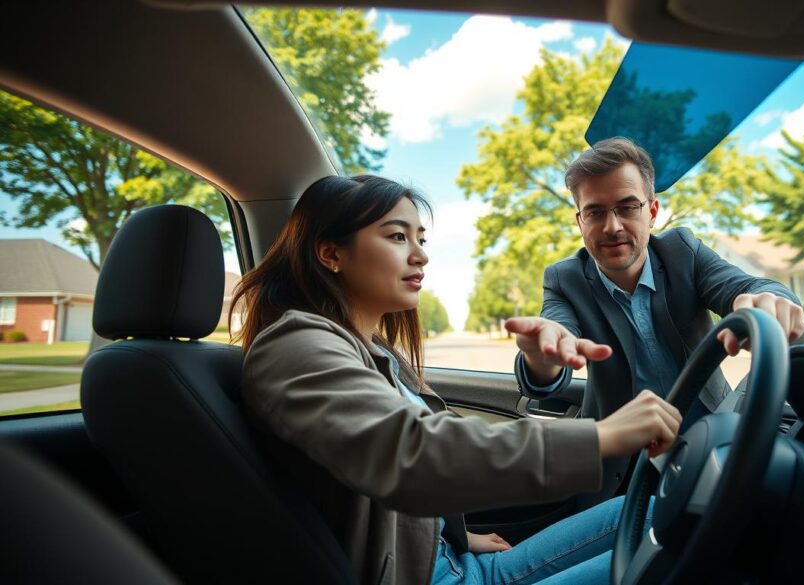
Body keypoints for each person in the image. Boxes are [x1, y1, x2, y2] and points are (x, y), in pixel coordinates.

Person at [233, 175, 680, 585]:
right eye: (396, 236)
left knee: (650, 510)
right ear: (331, 253)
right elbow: (412, 452)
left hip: (454, 564)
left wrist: (453, 536)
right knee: (680, 555)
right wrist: (602, 435)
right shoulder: (295, 347)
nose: (420, 254)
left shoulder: (374, 350)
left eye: (420, 238)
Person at [509, 137, 804, 507]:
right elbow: (553, 348)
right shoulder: (563, 278)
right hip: (621, 469)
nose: (612, 226)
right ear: (579, 220)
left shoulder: (684, 252)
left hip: (711, 439)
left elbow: (750, 286)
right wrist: (544, 358)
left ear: (652, 211)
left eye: (627, 207)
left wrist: (772, 300)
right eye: (595, 212)